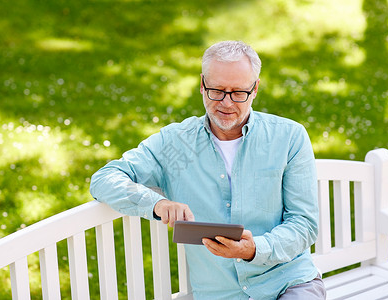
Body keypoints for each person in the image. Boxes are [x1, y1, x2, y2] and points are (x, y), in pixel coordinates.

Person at [90, 40, 325, 299]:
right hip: (220, 294)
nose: (226, 103)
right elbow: (104, 179)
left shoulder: (288, 138)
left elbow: (304, 224)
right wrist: (157, 204)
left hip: (288, 282)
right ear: (202, 85)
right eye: (217, 90)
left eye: (238, 93)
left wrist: (255, 249)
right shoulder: (177, 145)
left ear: (255, 89)